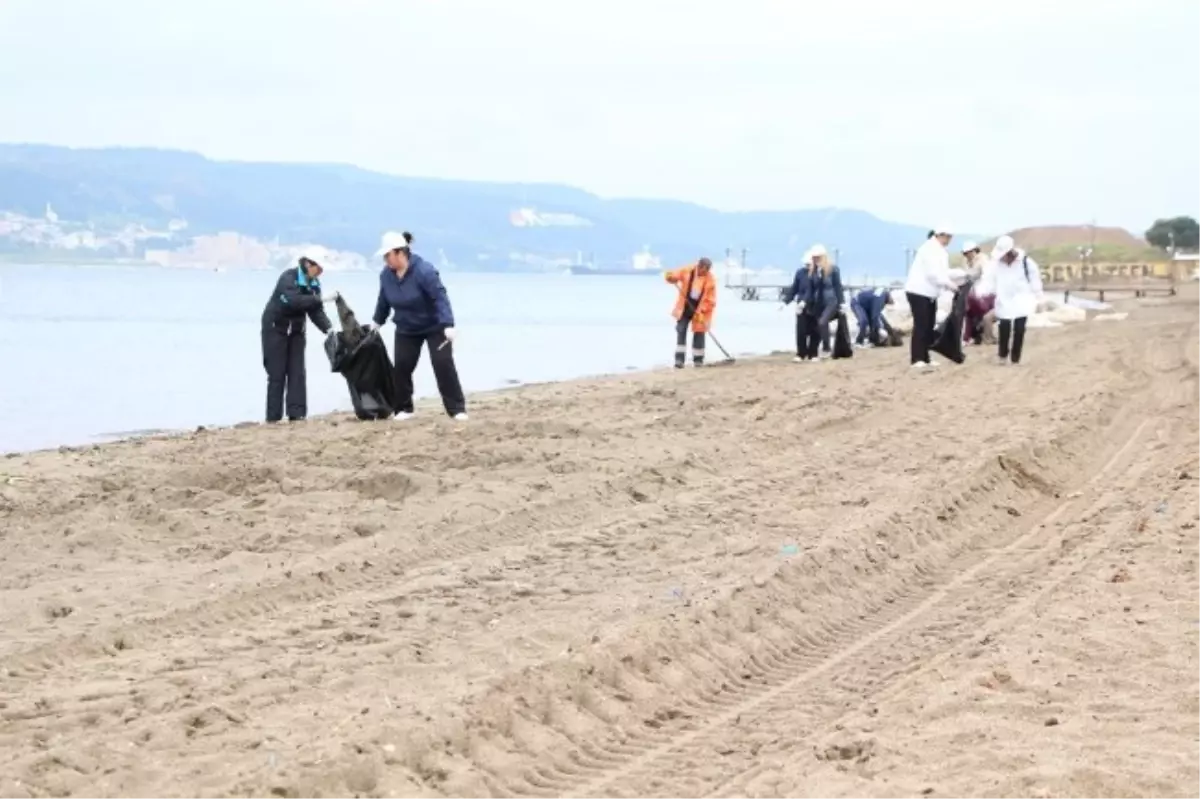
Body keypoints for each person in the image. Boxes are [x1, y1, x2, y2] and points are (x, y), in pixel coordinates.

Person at [369, 231, 467, 420]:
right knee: (402, 367)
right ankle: (404, 408)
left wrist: (448, 324)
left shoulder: (424, 271)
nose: (385, 260)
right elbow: (384, 300)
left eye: (387, 256)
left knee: (442, 364)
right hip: (406, 328)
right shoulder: (386, 276)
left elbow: (440, 297)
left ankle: (457, 409)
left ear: (400, 253)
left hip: (434, 326)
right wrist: (376, 322)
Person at [260, 247, 339, 423]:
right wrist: (321, 298)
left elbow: (315, 311)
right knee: (277, 373)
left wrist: (329, 329)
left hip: (296, 330)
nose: (321, 272)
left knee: (297, 372)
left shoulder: (314, 284)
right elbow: (294, 302)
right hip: (275, 329)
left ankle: (297, 415)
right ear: (307, 263)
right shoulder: (288, 278)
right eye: (318, 268)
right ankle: (273, 418)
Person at [978, 235, 1044, 365]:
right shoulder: (996, 264)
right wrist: (981, 292)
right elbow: (988, 280)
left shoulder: (1026, 262)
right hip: (1004, 300)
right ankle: (1002, 355)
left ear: (1011, 252)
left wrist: (1039, 296)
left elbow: (1035, 279)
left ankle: (1015, 358)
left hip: (1022, 300)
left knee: (1019, 329)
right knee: (1004, 328)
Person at [903, 223, 959, 369]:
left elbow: (943, 272)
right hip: (918, 291)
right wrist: (949, 285)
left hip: (930, 293)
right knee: (921, 325)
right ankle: (917, 358)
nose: (949, 240)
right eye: (948, 237)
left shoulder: (940, 251)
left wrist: (958, 277)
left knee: (929, 324)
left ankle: (926, 356)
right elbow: (933, 274)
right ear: (941, 235)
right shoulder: (928, 249)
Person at [665, 257, 717, 368]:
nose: (705, 272)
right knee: (681, 329)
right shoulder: (687, 270)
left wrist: (702, 312)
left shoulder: (711, 280)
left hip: (700, 310)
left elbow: (711, 300)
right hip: (685, 306)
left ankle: (698, 360)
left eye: (707, 270)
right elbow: (675, 276)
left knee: (699, 332)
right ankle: (679, 360)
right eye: (704, 269)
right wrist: (670, 277)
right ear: (699, 266)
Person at [803, 245, 846, 360]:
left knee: (822, 322)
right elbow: (810, 290)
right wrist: (804, 302)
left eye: (818, 257)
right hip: (818, 303)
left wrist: (842, 303)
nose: (816, 260)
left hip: (831, 301)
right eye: (814, 258)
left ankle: (826, 348)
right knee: (819, 326)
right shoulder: (813, 271)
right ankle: (818, 350)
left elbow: (838, 286)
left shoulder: (833, 269)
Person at [781, 248, 815, 362]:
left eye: (809, 264)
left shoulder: (817, 274)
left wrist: (805, 301)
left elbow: (813, 290)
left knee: (815, 330)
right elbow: (794, 288)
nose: (807, 266)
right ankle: (801, 353)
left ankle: (813, 354)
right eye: (806, 264)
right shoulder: (800, 273)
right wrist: (785, 302)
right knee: (801, 330)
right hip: (800, 306)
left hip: (814, 305)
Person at [960, 241, 996, 345]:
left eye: (969, 252)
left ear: (974, 250)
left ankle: (976, 335)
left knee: (977, 311)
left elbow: (987, 276)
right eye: (965, 253)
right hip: (970, 289)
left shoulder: (983, 259)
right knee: (968, 312)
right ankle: (970, 336)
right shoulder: (965, 262)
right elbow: (965, 275)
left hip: (983, 291)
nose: (968, 255)